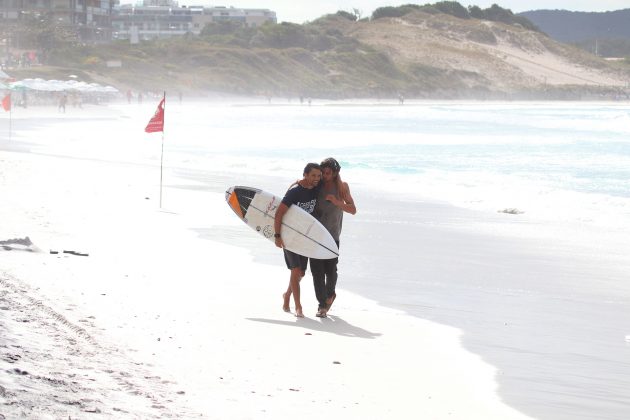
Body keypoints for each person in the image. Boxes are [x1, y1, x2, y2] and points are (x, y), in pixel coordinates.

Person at [274, 163, 322, 318]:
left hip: (304, 236)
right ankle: (298, 307)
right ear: (305, 175)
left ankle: (287, 295)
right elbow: (279, 213)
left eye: (318, 176)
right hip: (289, 235)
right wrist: (277, 235)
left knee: (300, 273)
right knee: (295, 270)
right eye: (313, 175)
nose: (316, 178)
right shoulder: (295, 192)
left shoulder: (315, 189)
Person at [310, 158, 356, 317]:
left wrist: (337, 202)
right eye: (323, 173)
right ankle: (322, 305)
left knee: (330, 271)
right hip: (315, 234)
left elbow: (353, 209)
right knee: (317, 272)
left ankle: (330, 295)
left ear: (335, 173)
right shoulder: (318, 184)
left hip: (332, 235)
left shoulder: (342, 187)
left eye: (328, 173)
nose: (324, 176)